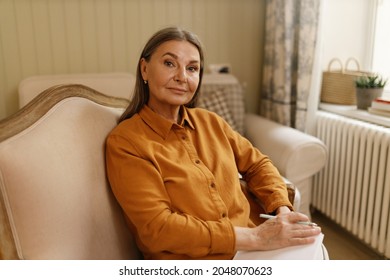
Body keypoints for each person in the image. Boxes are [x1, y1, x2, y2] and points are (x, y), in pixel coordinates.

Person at [105, 26, 321, 260]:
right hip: (198, 260)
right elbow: (158, 228)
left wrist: (282, 210)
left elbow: (258, 164)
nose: (182, 77)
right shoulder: (126, 142)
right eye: (169, 63)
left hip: (251, 244)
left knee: (314, 247)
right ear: (144, 69)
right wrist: (256, 238)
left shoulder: (211, 122)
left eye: (192, 68)